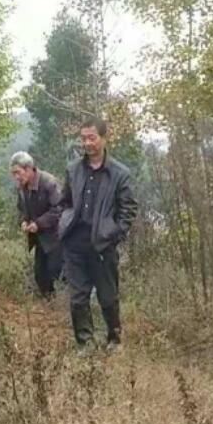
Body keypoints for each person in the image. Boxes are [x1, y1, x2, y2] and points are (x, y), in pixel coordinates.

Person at [55, 117, 138, 351]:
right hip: (75, 243)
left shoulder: (119, 173)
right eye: (83, 139)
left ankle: (114, 339)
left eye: (92, 138)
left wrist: (114, 233)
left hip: (102, 245)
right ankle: (86, 345)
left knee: (108, 296)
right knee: (78, 297)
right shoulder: (73, 170)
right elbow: (64, 201)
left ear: (104, 138)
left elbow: (128, 209)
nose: (87, 143)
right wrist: (64, 222)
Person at [10, 151, 64, 300]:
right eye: (13, 173)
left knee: (56, 274)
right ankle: (48, 305)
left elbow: (59, 209)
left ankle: (62, 306)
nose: (16, 177)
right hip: (40, 240)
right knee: (40, 276)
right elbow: (21, 209)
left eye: (18, 172)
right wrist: (23, 221)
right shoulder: (22, 187)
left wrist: (39, 223)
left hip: (56, 238)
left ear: (28, 169)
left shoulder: (49, 183)